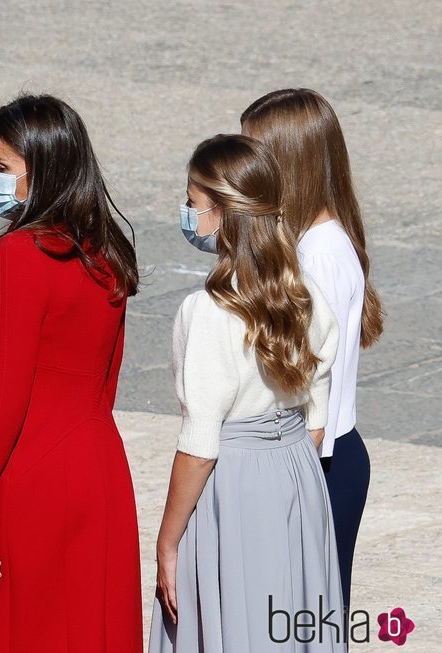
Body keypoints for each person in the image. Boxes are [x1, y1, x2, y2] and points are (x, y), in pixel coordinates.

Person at [0, 94, 143, 652]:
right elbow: (107, 380)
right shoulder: (107, 253)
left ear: (42, 171)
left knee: (11, 630)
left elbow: (4, 393)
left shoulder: (19, 255)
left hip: (27, 473)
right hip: (98, 467)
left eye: (0, 167)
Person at [150, 134, 344, 652]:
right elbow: (318, 412)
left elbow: (199, 446)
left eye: (192, 203)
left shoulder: (208, 311)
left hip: (231, 485)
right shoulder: (306, 295)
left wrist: (168, 541)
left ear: (220, 213)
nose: (187, 214)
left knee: (233, 622)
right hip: (297, 472)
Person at [240, 88, 383, 615]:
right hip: (329, 456)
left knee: (302, 619)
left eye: (253, 154)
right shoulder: (322, 240)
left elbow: (302, 379)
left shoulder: (316, 254)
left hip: (318, 460)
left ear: (286, 163)